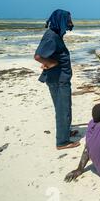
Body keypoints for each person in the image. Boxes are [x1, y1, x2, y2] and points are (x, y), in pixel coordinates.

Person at [34, 10, 79, 150]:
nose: (70, 23)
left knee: (65, 107)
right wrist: (50, 63)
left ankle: (65, 131)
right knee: (62, 109)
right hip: (58, 80)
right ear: (60, 20)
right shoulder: (51, 36)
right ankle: (62, 142)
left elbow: (48, 54)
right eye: (68, 20)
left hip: (61, 79)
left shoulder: (56, 35)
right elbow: (38, 56)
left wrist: (48, 62)